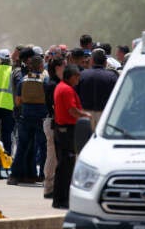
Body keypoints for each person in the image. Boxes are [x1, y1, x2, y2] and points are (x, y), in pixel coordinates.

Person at [52, 64, 91, 209]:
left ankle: (60, 199)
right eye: (77, 76)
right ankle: (61, 200)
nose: (79, 79)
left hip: (63, 130)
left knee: (64, 166)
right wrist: (87, 115)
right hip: (66, 131)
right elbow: (72, 110)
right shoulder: (66, 89)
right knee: (65, 167)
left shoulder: (62, 87)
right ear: (71, 76)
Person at [7, 55, 48, 185]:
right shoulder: (45, 80)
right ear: (41, 66)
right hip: (41, 117)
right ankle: (43, 175)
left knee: (22, 147)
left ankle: (14, 176)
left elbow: (18, 101)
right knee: (43, 147)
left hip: (25, 117)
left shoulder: (23, 80)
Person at [77, 49, 118, 130]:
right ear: (105, 62)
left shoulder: (81, 75)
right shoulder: (112, 77)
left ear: (91, 61)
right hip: (105, 116)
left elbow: (75, 94)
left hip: (85, 116)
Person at [43, 56, 66, 199]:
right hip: (53, 122)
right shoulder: (53, 84)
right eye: (64, 65)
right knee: (52, 156)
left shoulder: (56, 82)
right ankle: (49, 187)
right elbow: (54, 106)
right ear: (58, 68)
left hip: (54, 121)